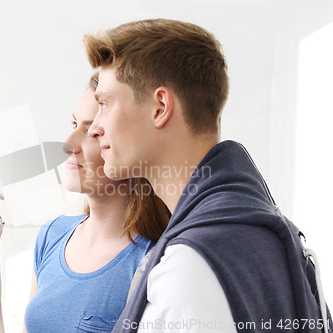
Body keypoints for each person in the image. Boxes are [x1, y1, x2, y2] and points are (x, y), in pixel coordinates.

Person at [84, 19, 332, 333]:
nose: (95, 128)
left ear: (160, 106)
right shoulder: (268, 232)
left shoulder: (187, 268)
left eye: (105, 104)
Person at [23, 73, 170, 333]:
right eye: (74, 124)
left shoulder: (153, 263)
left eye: (92, 133)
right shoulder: (51, 235)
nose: (68, 144)